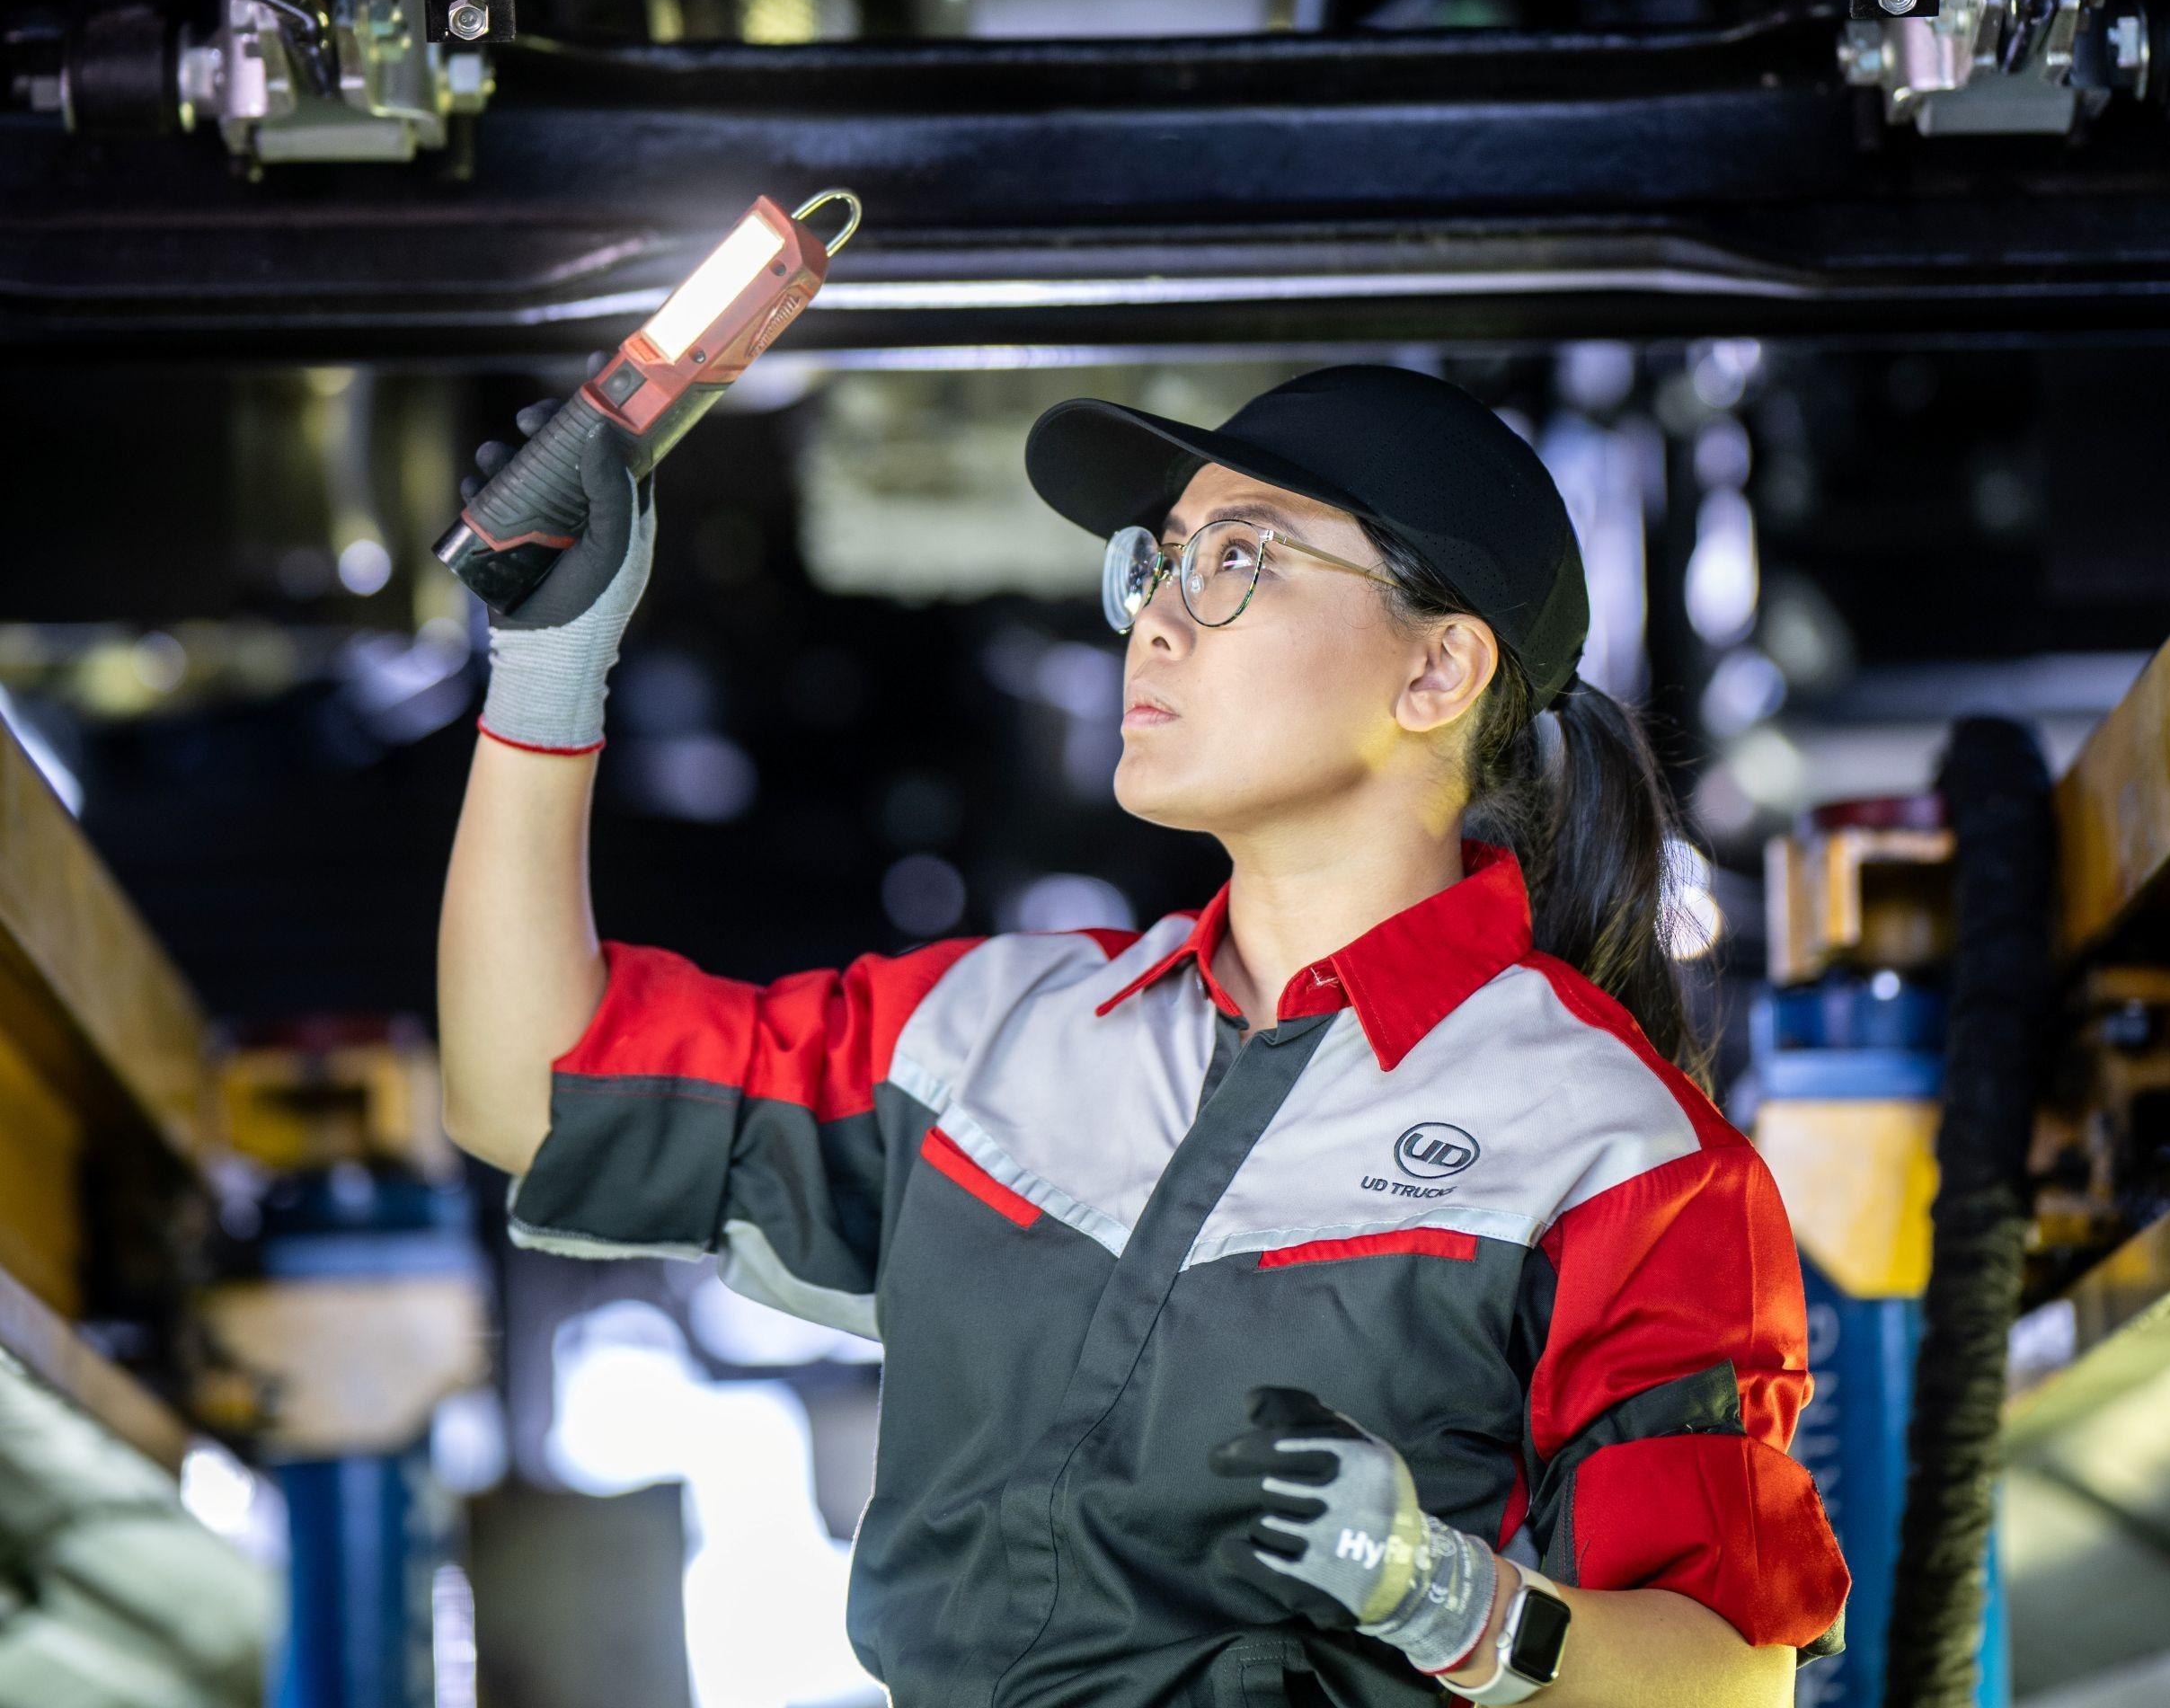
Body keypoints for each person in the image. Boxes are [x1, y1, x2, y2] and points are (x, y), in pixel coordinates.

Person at [439, 363, 1848, 1708]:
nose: (1158, 619)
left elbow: (1730, 1678)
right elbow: (530, 1096)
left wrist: (1447, 1598)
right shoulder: (985, 1038)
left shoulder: (1616, 1155)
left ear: (1439, 671)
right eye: (1159, 563)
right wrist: (549, 668)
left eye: (1240, 560)